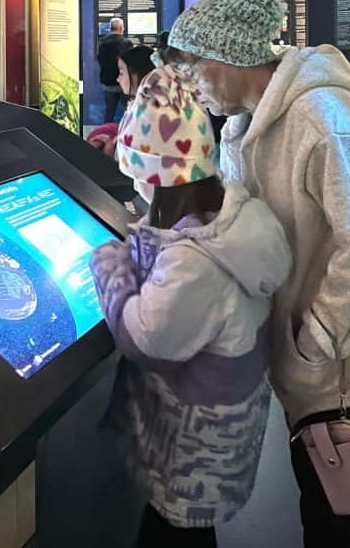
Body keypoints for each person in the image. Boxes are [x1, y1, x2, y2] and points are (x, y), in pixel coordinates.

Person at [166, 0, 350, 547]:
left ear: (233, 57)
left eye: (193, 69)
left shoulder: (323, 118)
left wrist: (315, 342)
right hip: (321, 364)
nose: (189, 85)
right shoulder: (243, 126)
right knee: (326, 507)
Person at [90, 65, 291, 547]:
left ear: (157, 179)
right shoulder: (236, 218)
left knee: (176, 536)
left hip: (190, 456)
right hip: (226, 439)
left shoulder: (194, 263)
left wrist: (109, 266)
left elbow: (148, 339)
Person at [88, 45, 155, 157]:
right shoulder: (141, 106)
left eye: (121, 73)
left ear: (136, 75)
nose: (118, 78)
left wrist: (108, 151)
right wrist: (112, 139)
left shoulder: (145, 115)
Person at [98, 17, 132, 122]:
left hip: (108, 83)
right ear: (121, 28)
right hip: (123, 83)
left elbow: (100, 59)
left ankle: (106, 134)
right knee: (129, 111)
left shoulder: (102, 42)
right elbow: (130, 62)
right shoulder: (126, 42)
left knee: (109, 112)